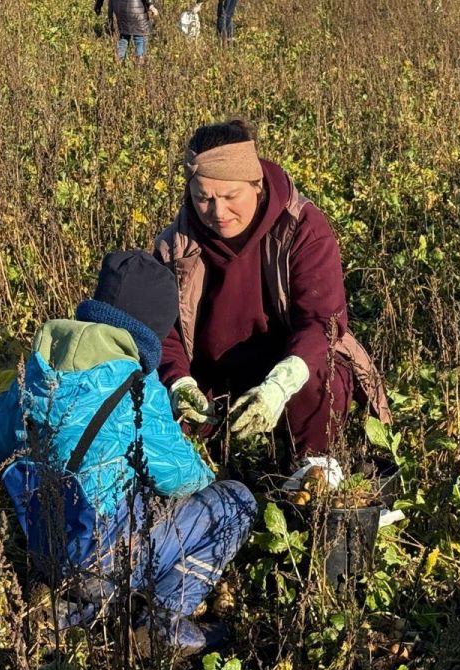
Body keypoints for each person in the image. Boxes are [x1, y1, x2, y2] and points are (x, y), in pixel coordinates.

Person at [0, 250, 256, 656]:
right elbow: (180, 477)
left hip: (49, 548)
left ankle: (70, 611)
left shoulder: (34, 374)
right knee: (234, 503)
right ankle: (165, 624)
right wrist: (204, 474)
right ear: (151, 332)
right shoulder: (137, 389)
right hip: (108, 552)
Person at [152, 119, 391, 479]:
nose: (218, 212)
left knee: (320, 378)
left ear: (256, 184)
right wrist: (180, 383)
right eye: (203, 198)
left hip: (289, 366)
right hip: (214, 378)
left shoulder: (302, 227)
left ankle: (312, 473)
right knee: (158, 417)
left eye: (231, 196)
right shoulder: (175, 246)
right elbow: (164, 330)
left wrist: (279, 385)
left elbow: (321, 321)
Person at [108, 0, 159, 64]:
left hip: (119, 10)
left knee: (124, 37)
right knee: (140, 37)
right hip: (137, 12)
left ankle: (117, 64)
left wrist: (98, 6)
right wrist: (151, 6)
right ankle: (139, 67)